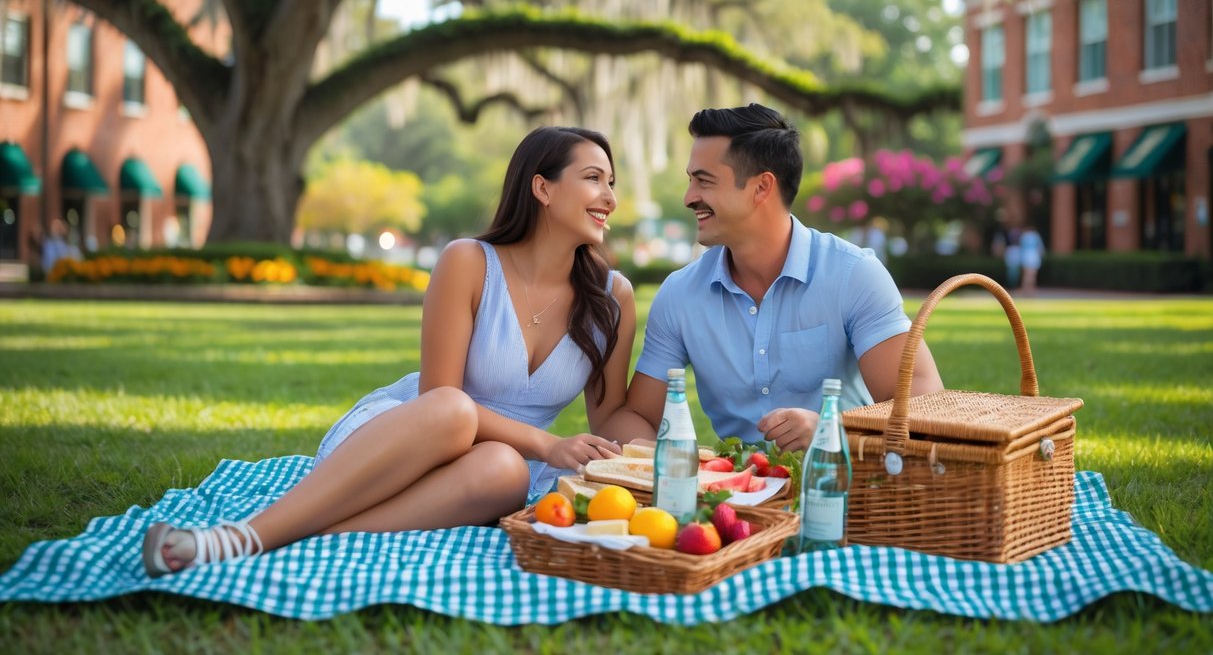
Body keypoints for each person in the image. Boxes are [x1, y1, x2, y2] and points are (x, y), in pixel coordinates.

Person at [143, 126, 636, 577]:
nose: (610, 198)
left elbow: (609, 415)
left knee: (508, 473)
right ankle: (238, 537)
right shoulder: (468, 261)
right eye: (594, 179)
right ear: (542, 188)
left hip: (482, 474)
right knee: (453, 408)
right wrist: (548, 445)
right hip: (400, 441)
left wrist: (671, 452)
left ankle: (296, 535)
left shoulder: (613, 298)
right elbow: (437, 396)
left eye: (611, 183)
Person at [601, 104, 943, 453]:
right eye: (691, 180)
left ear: (762, 187)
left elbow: (922, 397)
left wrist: (834, 430)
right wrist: (682, 459)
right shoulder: (679, 294)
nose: (689, 197)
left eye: (703, 180)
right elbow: (639, 415)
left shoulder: (853, 275)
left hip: (844, 482)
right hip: (736, 495)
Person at [1018, 225, 1045, 295]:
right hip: (1033, 257)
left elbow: (1021, 247)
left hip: (1026, 257)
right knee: (1032, 275)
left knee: (1026, 275)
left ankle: (1026, 289)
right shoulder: (1035, 236)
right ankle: (1030, 290)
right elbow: (1040, 248)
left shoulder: (1024, 236)